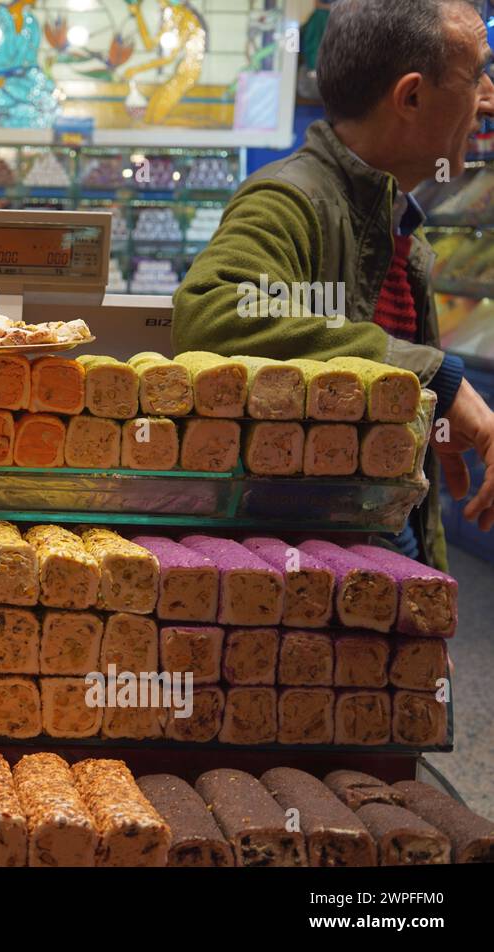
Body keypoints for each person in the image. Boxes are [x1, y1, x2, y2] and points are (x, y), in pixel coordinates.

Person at [173, 0, 494, 570]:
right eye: (476, 76)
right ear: (412, 96)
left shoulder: (390, 221)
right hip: (304, 585)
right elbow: (213, 311)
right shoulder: (292, 199)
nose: (488, 97)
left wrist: (411, 408)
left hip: (357, 570)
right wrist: (429, 376)